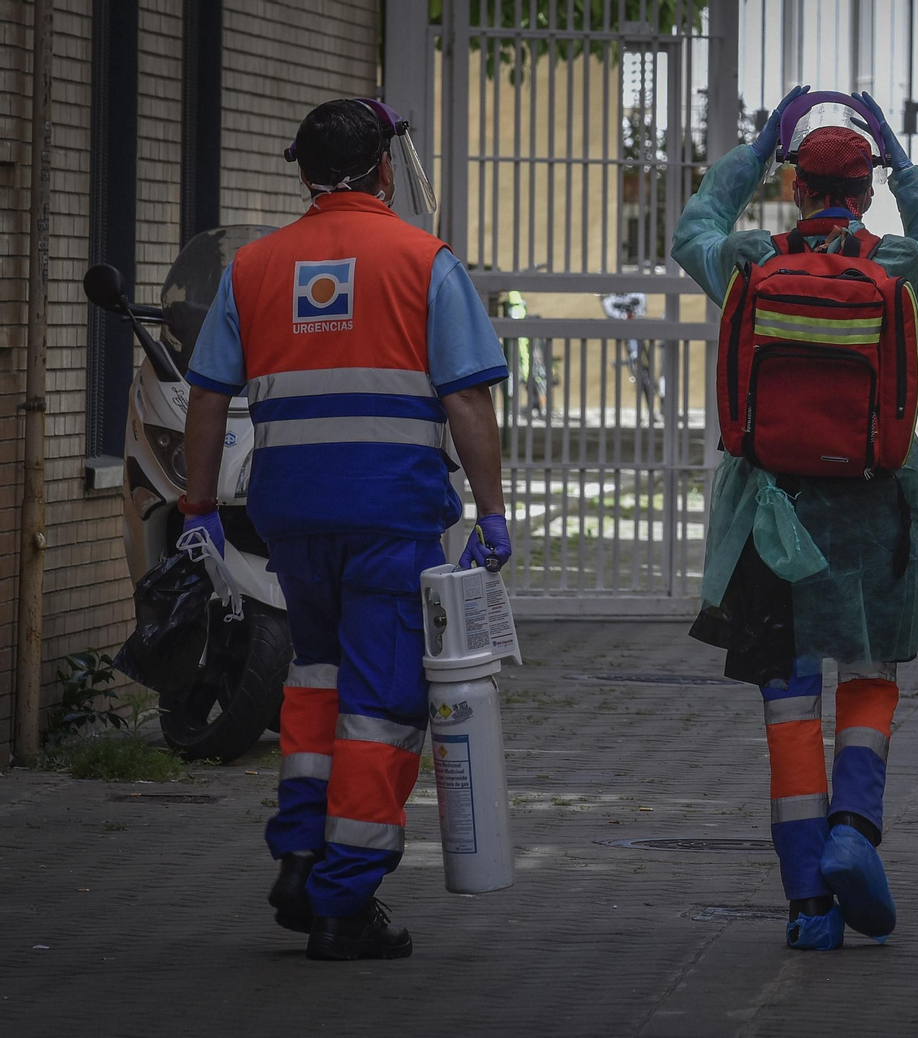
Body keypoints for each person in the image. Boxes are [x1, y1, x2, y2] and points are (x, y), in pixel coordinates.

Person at [181, 99, 513, 960]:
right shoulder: (425, 262)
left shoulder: (252, 268)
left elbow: (209, 396)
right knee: (381, 705)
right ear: (383, 170)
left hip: (291, 518)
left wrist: (200, 509)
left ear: (303, 173)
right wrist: (494, 511)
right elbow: (467, 397)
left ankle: (300, 855)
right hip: (390, 517)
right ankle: (341, 901)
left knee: (315, 681)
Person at [671, 86, 918, 950]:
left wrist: (754, 149)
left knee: (788, 701)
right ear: (866, 191)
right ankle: (853, 831)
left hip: (771, 514)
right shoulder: (901, 268)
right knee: (869, 677)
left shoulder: (745, 261)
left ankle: (808, 908)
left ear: (794, 187)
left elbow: (689, 228)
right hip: (881, 508)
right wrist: (904, 161)